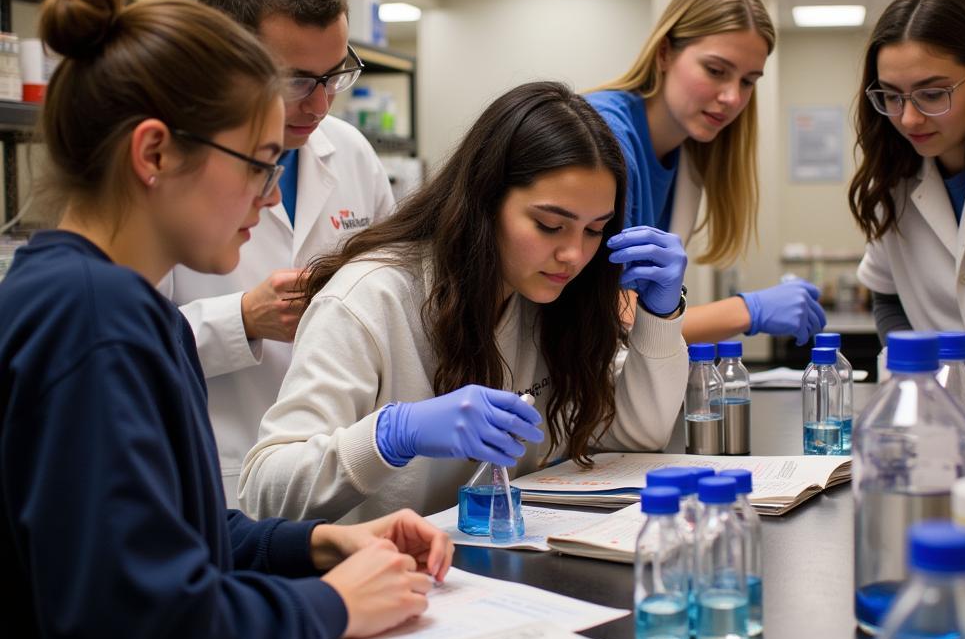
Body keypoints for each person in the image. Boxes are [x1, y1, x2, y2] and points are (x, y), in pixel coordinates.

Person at [0, 0, 452, 639]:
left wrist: (315, 545)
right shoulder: (93, 320)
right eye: (255, 162)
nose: (270, 192)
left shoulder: (110, 301)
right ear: (154, 153)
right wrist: (336, 604)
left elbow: (187, 537)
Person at [239, 81, 688, 522]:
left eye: (595, 230)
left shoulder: (549, 297)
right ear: (485, 201)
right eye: (551, 225)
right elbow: (266, 493)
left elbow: (636, 432)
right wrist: (391, 436)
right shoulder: (370, 298)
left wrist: (660, 315)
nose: (574, 254)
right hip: (375, 579)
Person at [161, 0, 394, 507]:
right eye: (294, 80)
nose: (319, 106)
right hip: (222, 480)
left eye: (334, 75)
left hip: (342, 472)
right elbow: (123, 345)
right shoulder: (168, 170)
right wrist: (241, 319)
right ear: (223, 57)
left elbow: (398, 286)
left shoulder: (350, 151)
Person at [586, 0, 826, 345]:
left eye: (748, 81)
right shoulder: (605, 136)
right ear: (665, 53)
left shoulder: (690, 149)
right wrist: (747, 311)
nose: (732, 97)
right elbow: (616, 317)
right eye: (716, 71)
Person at [850, 0, 965, 391]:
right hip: (951, 424)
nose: (909, 119)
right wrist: (919, 378)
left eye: (932, 93)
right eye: (891, 96)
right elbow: (887, 296)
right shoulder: (891, 180)